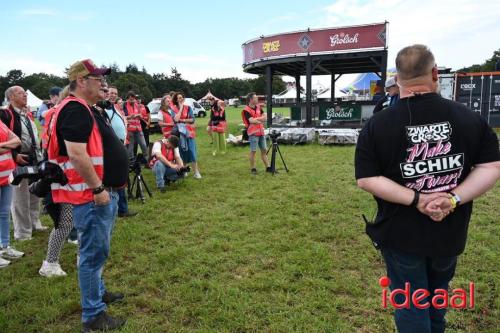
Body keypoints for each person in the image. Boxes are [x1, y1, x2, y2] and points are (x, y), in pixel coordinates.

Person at [355, 44, 500, 333]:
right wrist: (452, 199)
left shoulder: (377, 125)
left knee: (412, 305)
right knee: (436, 299)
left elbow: (366, 178)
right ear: (435, 73)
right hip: (449, 230)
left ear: (398, 80)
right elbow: (491, 167)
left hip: (401, 235)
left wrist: (419, 200)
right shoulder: (469, 118)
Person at [48, 59, 128, 331]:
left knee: (97, 252)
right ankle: (93, 315)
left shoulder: (85, 108)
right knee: (93, 255)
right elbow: (76, 154)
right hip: (92, 197)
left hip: (100, 194)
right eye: (97, 79)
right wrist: (98, 188)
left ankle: (99, 292)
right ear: (81, 81)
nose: (103, 84)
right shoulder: (74, 109)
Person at [1, 86, 46, 241]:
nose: (26, 95)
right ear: (12, 97)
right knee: (20, 197)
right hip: (19, 159)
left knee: (34, 192)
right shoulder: (6, 114)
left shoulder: (26, 114)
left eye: (25, 93)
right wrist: (14, 155)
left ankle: (34, 223)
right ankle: (23, 232)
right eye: (21, 93)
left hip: (33, 158)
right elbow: (5, 138)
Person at [105, 86, 137, 218]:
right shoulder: (103, 109)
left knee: (122, 177)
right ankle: (120, 209)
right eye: (111, 93)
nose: (113, 95)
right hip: (112, 148)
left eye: (115, 94)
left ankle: (122, 208)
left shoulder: (115, 108)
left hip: (120, 145)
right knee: (118, 178)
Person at [0, 121, 23, 267]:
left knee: (4, 213)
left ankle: (5, 246)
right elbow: (12, 142)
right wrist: (9, 144)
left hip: (7, 175)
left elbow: (17, 141)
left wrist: (3, 146)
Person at [172, 92, 202, 179]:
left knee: (192, 152)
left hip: (189, 133)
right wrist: (181, 108)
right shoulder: (173, 109)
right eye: (178, 98)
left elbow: (192, 119)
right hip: (179, 135)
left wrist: (182, 120)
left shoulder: (188, 108)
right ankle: (184, 170)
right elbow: (176, 120)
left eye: (181, 98)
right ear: (176, 100)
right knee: (182, 153)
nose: (180, 99)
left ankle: (196, 172)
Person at [242, 92, 270, 175]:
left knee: (264, 150)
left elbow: (265, 117)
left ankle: (268, 167)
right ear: (251, 99)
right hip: (253, 133)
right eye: (255, 98)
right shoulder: (246, 110)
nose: (257, 99)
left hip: (261, 132)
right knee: (253, 151)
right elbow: (251, 121)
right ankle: (253, 168)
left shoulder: (258, 107)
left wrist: (258, 119)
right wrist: (261, 119)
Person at [123, 91, 148, 162]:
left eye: (133, 99)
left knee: (144, 145)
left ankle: (147, 161)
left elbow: (141, 115)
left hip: (138, 129)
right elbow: (123, 117)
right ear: (127, 99)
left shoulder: (137, 105)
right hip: (129, 130)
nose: (132, 101)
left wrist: (140, 116)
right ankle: (131, 163)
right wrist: (130, 116)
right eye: (131, 99)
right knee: (130, 148)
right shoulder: (124, 105)